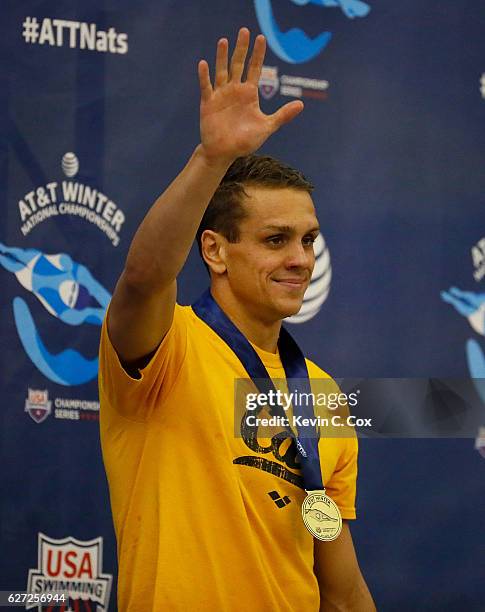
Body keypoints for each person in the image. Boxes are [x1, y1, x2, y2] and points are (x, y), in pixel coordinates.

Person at [99, 27, 375, 611]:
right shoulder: (167, 348)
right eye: (276, 240)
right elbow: (144, 277)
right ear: (215, 251)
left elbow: (342, 590)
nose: (300, 259)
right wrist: (212, 158)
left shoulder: (321, 395)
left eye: (308, 239)